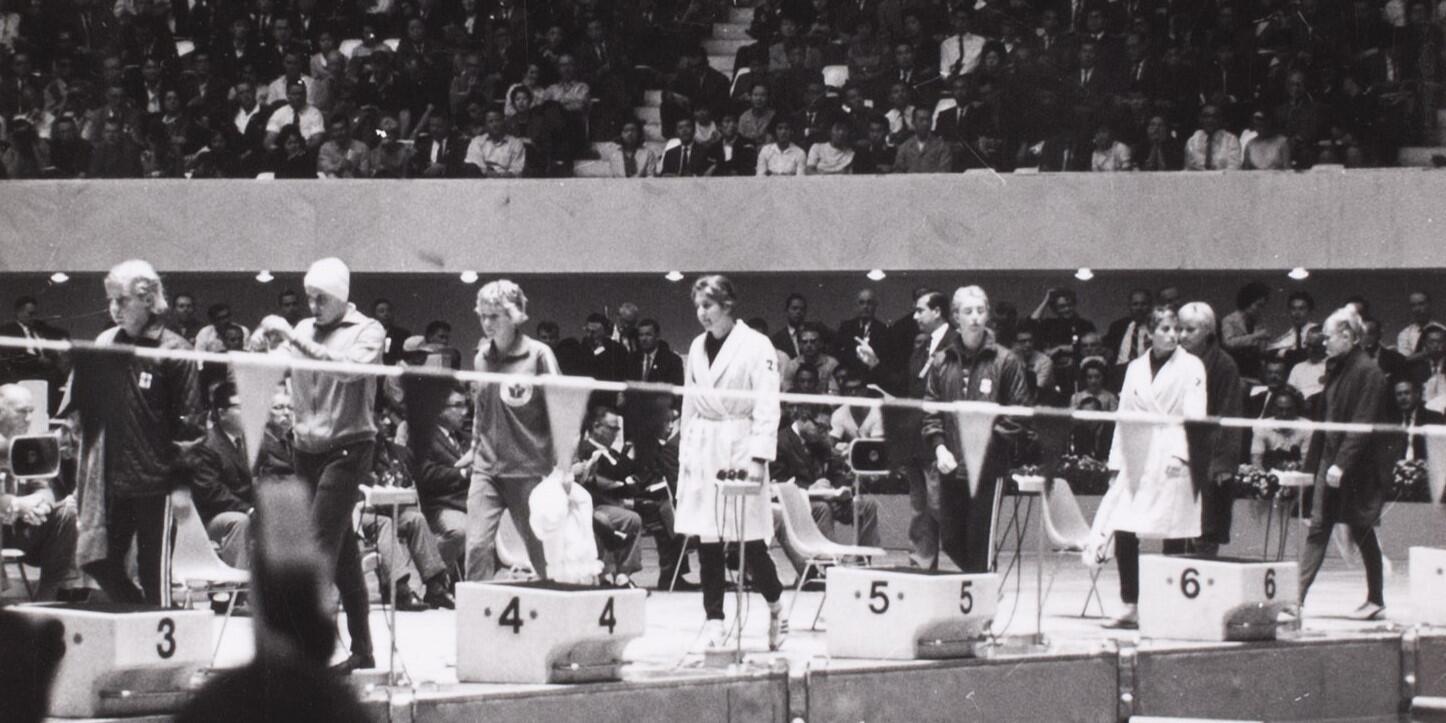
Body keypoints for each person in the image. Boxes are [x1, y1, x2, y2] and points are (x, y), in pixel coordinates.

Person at [255, 257, 383, 674]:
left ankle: (302, 650)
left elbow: (348, 373)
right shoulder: (304, 330)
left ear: (341, 296)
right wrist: (261, 344)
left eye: (320, 298)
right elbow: (272, 367)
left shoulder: (368, 331)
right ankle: (363, 649)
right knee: (342, 552)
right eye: (308, 297)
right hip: (305, 448)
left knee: (315, 547)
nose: (312, 306)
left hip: (348, 448)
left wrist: (294, 338)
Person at [70, 259, 204, 606]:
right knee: (97, 561)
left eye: (122, 300)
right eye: (111, 301)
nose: (114, 309)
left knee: (153, 573)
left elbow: (189, 424)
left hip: (155, 483)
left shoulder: (174, 350)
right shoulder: (107, 343)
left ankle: (163, 646)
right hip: (112, 482)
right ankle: (139, 616)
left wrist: (181, 484)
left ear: (148, 299)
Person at [674, 274, 787, 651]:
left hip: (740, 444)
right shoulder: (695, 346)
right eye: (697, 306)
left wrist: (759, 458)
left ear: (726, 305)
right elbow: (689, 402)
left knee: (748, 542)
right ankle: (714, 620)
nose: (701, 313)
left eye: (708, 305)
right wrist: (684, 457)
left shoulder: (757, 345)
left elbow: (768, 404)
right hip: (704, 444)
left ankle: (775, 605)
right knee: (707, 538)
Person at [1097, 306, 1207, 629]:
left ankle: (1172, 607)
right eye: (1166, 329)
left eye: (1178, 329)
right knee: (1125, 527)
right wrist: (1116, 462)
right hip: (1137, 454)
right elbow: (1124, 415)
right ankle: (1130, 603)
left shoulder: (1192, 366)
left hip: (1174, 454)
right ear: (1150, 332)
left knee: (1172, 532)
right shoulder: (1134, 368)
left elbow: (1195, 416)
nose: (1174, 335)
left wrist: (1182, 455)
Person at [921, 285, 1032, 573]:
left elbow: (1018, 414)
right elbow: (931, 410)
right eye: (967, 312)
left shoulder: (1006, 360)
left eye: (980, 311)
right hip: (951, 468)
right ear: (955, 317)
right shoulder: (942, 360)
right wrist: (939, 446)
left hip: (988, 470)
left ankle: (982, 606)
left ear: (987, 316)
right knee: (951, 540)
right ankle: (984, 589)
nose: (974, 318)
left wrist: (985, 445)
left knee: (979, 543)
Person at [1299, 306, 1393, 620]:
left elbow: (1362, 422)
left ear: (1347, 335)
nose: (1322, 342)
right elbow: (1325, 420)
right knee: (1318, 529)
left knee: (1362, 531)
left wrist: (1341, 463)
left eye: (1327, 337)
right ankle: (1296, 599)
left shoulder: (1369, 372)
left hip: (1358, 467)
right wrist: (1317, 466)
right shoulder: (1338, 367)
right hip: (1332, 459)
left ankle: (1376, 598)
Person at [464, 280, 558, 582]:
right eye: (483, 316)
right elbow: (481, 408)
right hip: (486, 468)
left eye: (495, 316)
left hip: (528, 469)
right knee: (477, 545)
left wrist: (563, 464)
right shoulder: (481, 358)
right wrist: (473, 447)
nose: (487, 323)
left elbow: (562, 409)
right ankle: (476, 622)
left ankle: (553, 606)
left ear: (515, 316)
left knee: (540, 549)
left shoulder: (539, 355)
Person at [0, 383, 79, 601]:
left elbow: (46, 490)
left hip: (23, 529)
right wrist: (15, 504)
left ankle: (47, 600)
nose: (27, 419)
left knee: (66, 513)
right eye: (21, 411)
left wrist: (37, 502)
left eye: (30, 412)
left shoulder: (30, 445)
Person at [1178, 302, 1244, 557]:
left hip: (1209, 458)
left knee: (1206, 528)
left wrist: (1223, 462)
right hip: (1177, 454)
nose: (1182, 335)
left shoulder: (1225, 365)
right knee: (1176, 527)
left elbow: (1231, 415)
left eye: (1190, 330)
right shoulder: (1175, 361)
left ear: (1208, 331)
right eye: (1180, 329)